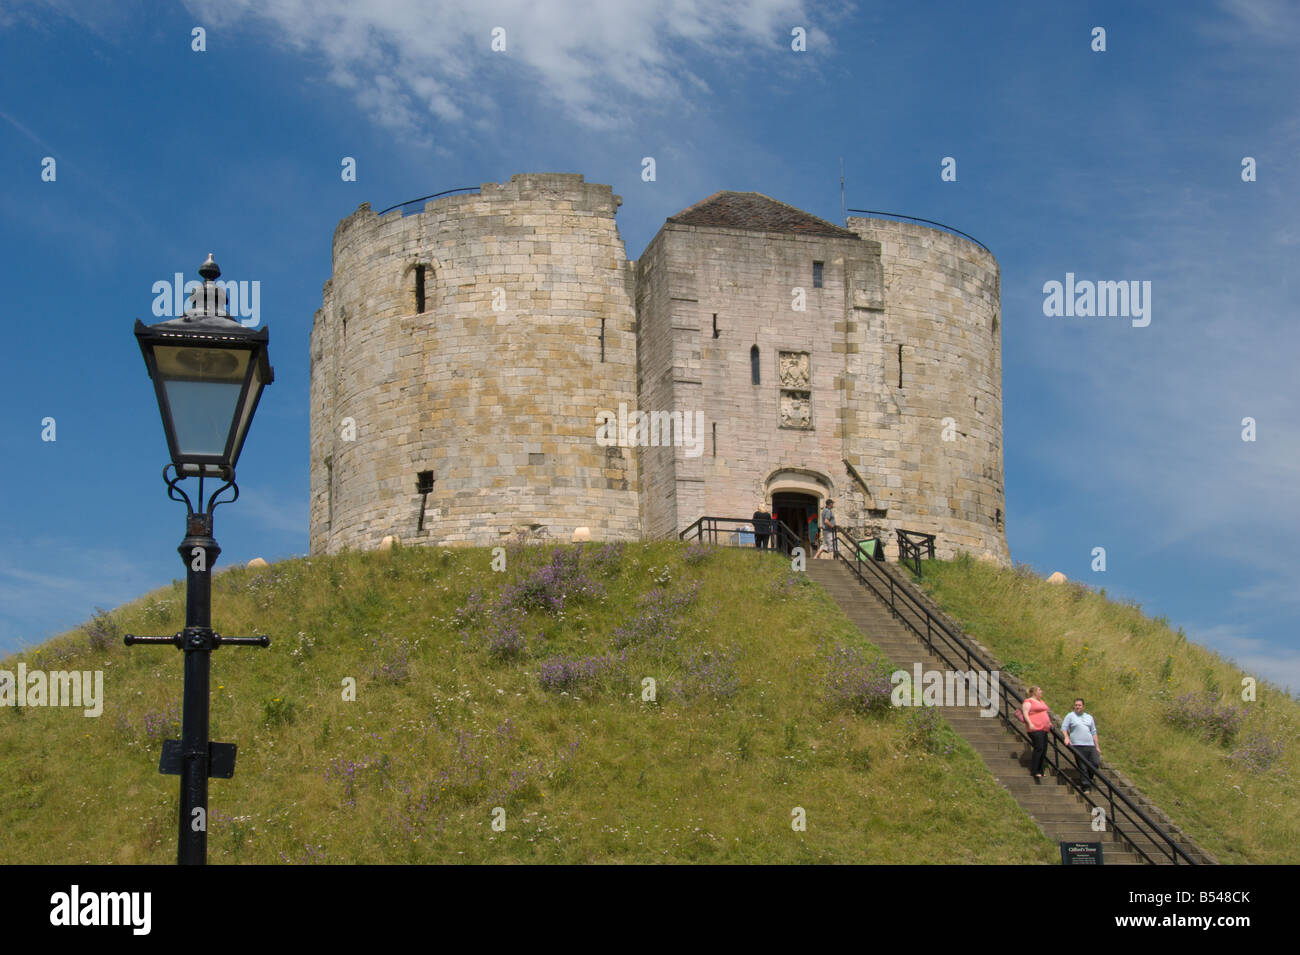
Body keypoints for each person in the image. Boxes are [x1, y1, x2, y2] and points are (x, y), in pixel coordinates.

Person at [1062, 697, 1101, 793]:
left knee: (1095, 763)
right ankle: (1086, 787)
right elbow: (1064, 728)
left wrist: (1097, 746)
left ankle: (1089, 778)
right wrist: (1066, 737)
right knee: (1082, 767)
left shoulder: (1089, 717)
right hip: (1077, 745)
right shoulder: (1070, 716)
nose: (1077, 707)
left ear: (1083, 706)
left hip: (1090, 745)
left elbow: (1094, 732)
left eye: (1079, 705)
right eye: (1075, 705)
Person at [1021, 686, 1051, 782]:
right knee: (1039, 748)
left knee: (1044, 749)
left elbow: (1045, 712)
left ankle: (1040, 770)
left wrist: (1049, 723)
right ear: (1034, 692)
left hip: (1044, 729)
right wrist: (1030, 724)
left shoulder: (1041, 701)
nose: (1041, 691)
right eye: (1039, 690)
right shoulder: (1028, 702)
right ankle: (1035, 770)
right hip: (1035, 728)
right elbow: (1025, 713)